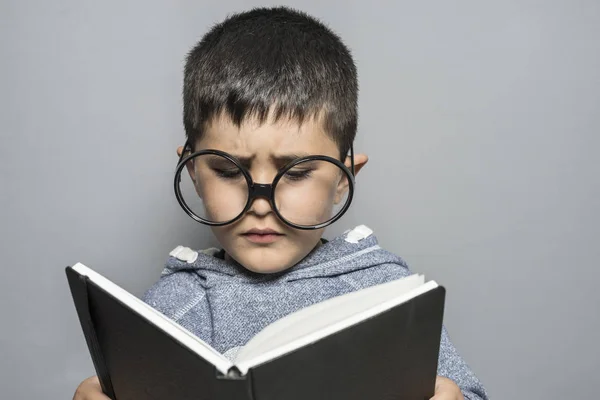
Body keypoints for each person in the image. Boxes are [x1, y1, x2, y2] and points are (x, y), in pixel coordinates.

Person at [73, 6, 488, 400]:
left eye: (296, 172)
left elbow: (462, 390)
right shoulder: (170, 306)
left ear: (344, 180)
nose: (260, 203)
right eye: (229, 171)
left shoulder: (386, 295)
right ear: (194, 174)